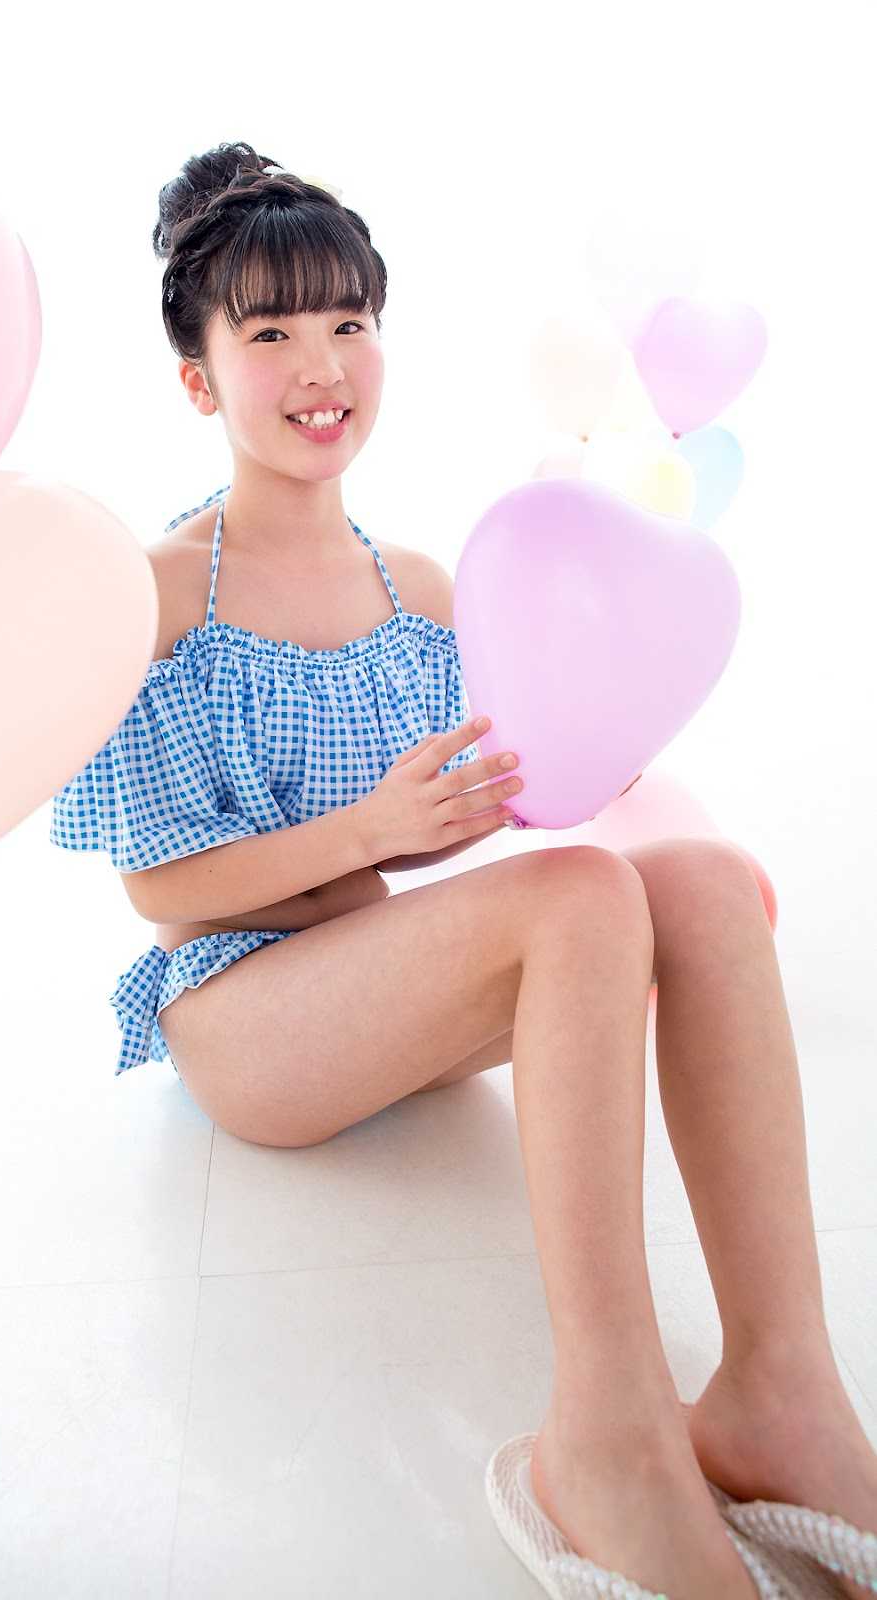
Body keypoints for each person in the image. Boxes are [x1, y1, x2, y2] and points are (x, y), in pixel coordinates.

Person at [50, 141, 877, 1598]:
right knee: (585, 898)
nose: (323, 366)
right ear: (198, 380)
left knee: (690, 877)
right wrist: (373, 833)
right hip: (242, 1014)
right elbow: (158, 893)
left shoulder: (421, 589)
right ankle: (605, 1440)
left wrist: (561, 762)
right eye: (271, 333)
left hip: (379, 987)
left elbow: (486, 815)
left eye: (350, 322)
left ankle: (782, 1393)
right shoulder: (163, 591)